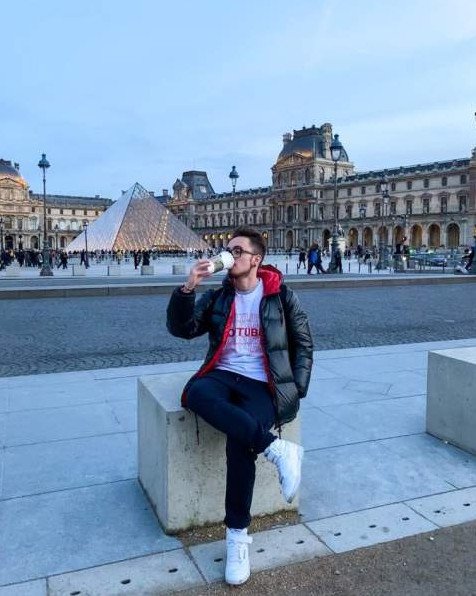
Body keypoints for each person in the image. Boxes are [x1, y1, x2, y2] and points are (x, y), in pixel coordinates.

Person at [166, 226, 313, 586]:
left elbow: (304, 344)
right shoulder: (219, 296)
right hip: (222, 374)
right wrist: (188, 287)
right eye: (227, 249)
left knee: (240, 441)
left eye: (236, 250)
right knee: (194, 393)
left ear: (256, 259)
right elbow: (183, 329)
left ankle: (236, 537)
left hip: (262, 383)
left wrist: (296, 390)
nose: (229, 255)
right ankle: (276, 449)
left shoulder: (281, 296)